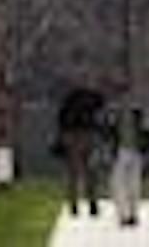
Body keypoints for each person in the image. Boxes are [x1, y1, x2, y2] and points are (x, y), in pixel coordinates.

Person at [55, 83, 107, 217]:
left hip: (78, 135)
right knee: (87, 172)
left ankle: (77, 204)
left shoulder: (71, 97)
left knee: (77, 173)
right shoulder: (91, 97)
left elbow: (62, 119)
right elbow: (100, 114)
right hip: (83, 135)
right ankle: (89, 203)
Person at [108, 105, 149, 229]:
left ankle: (132, 214)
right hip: (122, 152)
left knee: (133, 185)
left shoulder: (139, 116)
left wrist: (145, 146)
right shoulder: (115, 116)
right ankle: (124, 215)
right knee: (119, 186)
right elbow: (108, 134)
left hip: (134, 152)